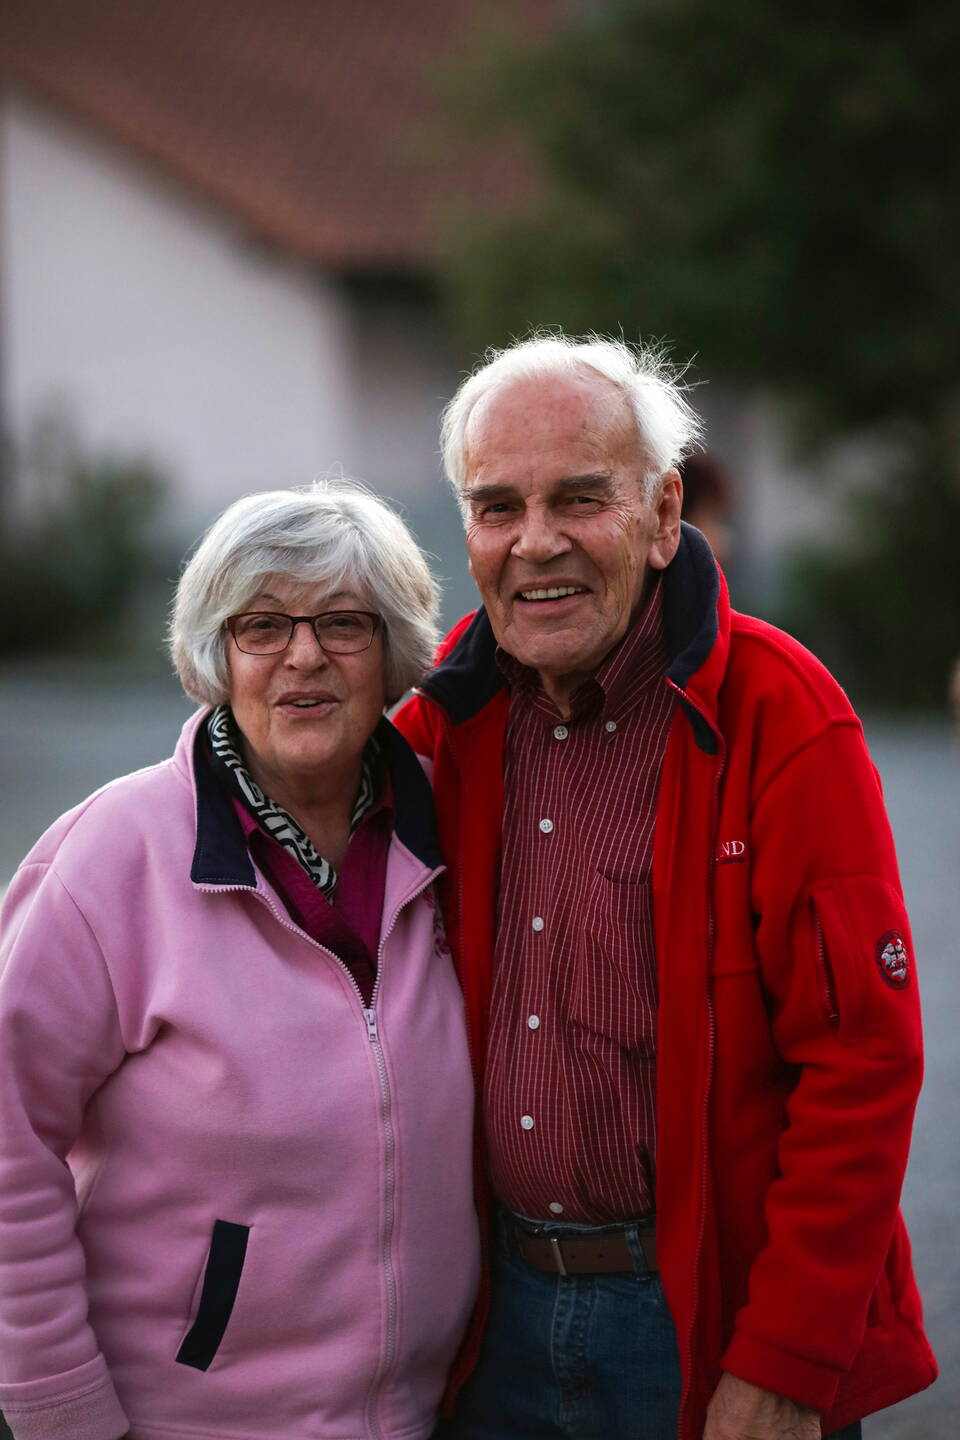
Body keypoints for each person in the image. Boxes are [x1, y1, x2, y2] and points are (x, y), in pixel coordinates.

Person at [395, 335, 936, 1440]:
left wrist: (783, 1365)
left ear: (663, 513)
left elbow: (863, 1061)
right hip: (489, 1318)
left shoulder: (784, 714)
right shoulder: (440, 723)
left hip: (701, 1319)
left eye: (581, 498)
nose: (536, 543)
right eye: (498, 507)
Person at [0, 481, 479, 1440]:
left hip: (423, 1416)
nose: (304, 655)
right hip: (180, 1418)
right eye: (262, 625)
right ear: (217, 654)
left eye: (344, 623)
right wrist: (61, 1409)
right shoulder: (116, 853)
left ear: (393, 653)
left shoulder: (455, 828)